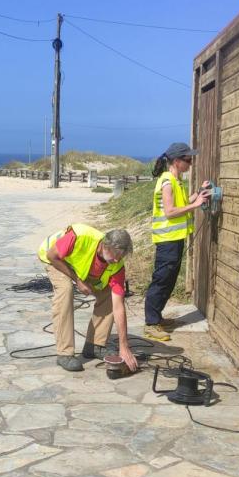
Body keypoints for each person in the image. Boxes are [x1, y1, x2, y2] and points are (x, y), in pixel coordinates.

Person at [39, 224, 137, 372]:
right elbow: (52, 256)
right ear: (105, 245)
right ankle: (64, 353)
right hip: (55, 259)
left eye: (121, 257)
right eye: (115, 255)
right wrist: (77, 280)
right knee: (65, 290)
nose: (117, 260)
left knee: (109, 294)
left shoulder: (117, 265)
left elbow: (118, 306)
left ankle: (94, 345)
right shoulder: (81, 237)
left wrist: (124, 347)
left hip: (78, 267)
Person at [144, 142, 209, 342]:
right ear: (177, 161)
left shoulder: (175, 180)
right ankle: (151, 324)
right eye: (188, 160)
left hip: (175, 239)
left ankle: (157, 318)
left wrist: (197, 194)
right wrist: (197, 205)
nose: (191, 163)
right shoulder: (167, 181)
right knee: (162, 280)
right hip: (167, 241)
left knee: (169, 280)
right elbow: (170, 212)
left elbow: (180, 204)